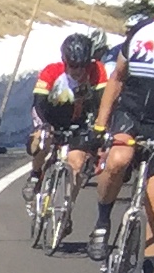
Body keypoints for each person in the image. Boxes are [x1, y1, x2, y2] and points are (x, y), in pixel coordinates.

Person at [93, 0, 154, 273]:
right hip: (130, 116)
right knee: (118, 159)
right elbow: (117, 78)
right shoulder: (142, 31)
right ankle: (102, 221)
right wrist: (101, 124)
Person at [31, 31, 104, 212]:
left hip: (80, 122)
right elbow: (38, 104)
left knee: (77, 165)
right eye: (73, 65)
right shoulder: (51, 71)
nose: (78, 71)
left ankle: (66, 210)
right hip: (51, 117)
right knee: (41, 141)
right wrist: (44, 125)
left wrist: (99, 129)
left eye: (83, 66)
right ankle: (36, 173)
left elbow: (102, 104)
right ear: (64, 60)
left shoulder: (97, 70)